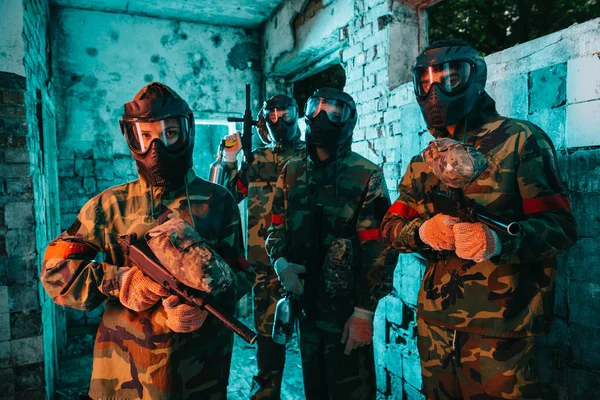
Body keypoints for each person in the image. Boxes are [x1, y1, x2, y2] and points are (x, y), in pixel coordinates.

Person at [381, 39, 579, 399]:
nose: (435, 91)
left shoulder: (520, 141)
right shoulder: (422, 162)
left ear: (474, 78)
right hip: (435, 326)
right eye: (425, 83)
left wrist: (500, 241)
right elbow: (389, 228)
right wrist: (422, 232)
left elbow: (562, 229)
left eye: (449, 79)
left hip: (502, 334)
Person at [41, 82, 255, 399]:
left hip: (200, 374)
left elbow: (242, 273)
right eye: (146, 136)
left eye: (170, 134)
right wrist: (118, 281)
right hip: (125, 376)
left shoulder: (218, 201)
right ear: (131, 138)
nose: (158, 148)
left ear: (187, 132)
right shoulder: (109, 205)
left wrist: (206, 306)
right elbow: (53, 270)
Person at [265, 88, 398, 399]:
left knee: (352, 392)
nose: (321, 118)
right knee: (316, 390)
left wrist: (364, 312)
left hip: (346, 316)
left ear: (348, 120)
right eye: (315, 109)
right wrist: (280, 262)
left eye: (333, 112)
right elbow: (275, 229)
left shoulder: (365, 174)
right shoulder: (291, 171)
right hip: (306, 310)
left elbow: (380, 249)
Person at [222, 94, 306, 399]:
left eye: (286, 115)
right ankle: (266, 392)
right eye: (272, 116)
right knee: (270, 337)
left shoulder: (311, 156)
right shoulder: (256, 160)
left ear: (296, 117)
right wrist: (229, 160)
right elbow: (228, 197)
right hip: (266, 265)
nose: (279, 122)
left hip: (306, 262)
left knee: (313, 338)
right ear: (262, 121)